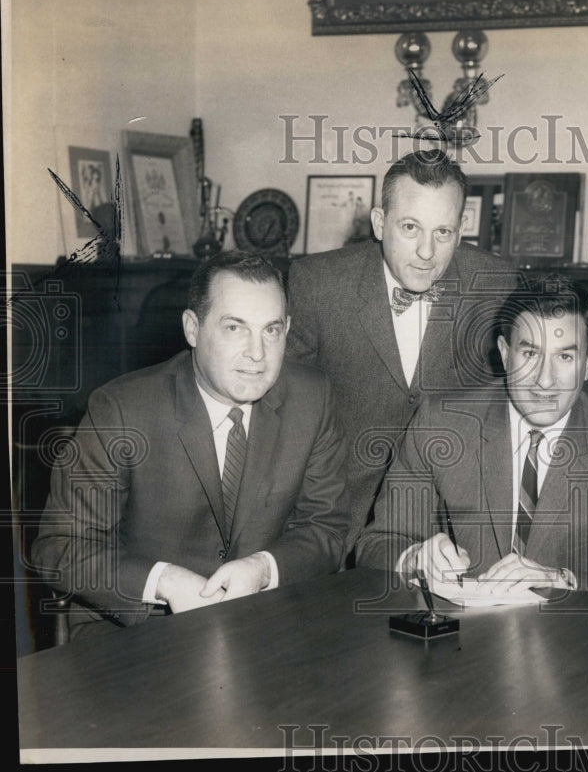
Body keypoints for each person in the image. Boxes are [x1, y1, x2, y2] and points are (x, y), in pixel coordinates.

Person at [32, 251, 352, 638]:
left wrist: (264, 569)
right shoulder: (122, 410)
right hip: (140, 633)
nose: (257, 353)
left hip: (265, 623)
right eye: (235, 328)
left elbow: (326, 529)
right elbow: (59, 546)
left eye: (271, 330)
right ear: (192, 329)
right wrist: (162, 581)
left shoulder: (312, 397)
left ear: (287, 328)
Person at [356, 274, 588, 599]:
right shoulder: (441, 425)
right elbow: (376, 544)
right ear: (505, 354)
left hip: (568, 639)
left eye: (565, 357)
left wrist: (559, 579)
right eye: (530, 354)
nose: (545, 381)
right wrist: (415, 558)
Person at [286, 150, 517, 558]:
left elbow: (507, 413)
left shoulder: (497, 285)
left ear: (462, 229)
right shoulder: (317, 283)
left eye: (443, 232)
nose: (427, 251)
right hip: (334, 525)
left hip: (451, 539)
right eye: (410, 227)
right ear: (379, 223)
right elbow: (285, 414)